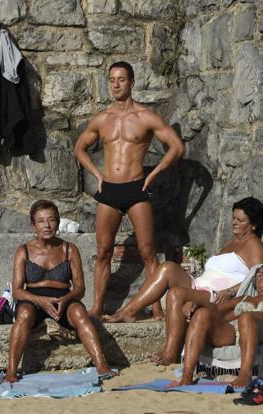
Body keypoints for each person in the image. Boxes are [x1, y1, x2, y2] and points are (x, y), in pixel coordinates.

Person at [74, 61, 185, 320]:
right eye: (112, 80)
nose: (115, 84)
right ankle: (98, 308)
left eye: (121, 79)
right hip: (109, 189)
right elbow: (80, 148)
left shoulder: (146, 116)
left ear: (132, 82)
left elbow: (177, 147)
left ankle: (156, 307)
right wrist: (97, 174)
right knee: (103, 251)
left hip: (137, 188)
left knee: (148, 252)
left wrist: (154, 174)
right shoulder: (102, 119)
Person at [106, 196, 263, 326]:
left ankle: (128, 312)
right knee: (168, 267)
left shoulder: (254, 245)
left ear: (253, 225)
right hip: (198, 287)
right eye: (234, 218)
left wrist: (231, 292)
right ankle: (129, 310)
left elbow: (259, 278)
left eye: (240, 220)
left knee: (176, 290)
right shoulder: (230, 243)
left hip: (216, 297)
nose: (234, 223)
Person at [4, 200, 115, 382]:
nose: (47, 225)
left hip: (63, 298)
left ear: (57, 222)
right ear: (33, 225)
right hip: (33, 299)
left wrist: (66, 298)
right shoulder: (23, 251)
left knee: (79, 312)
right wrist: (39, 301)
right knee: (23, 313)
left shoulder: (69, 249)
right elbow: (17, 291)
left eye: (52, 220)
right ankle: (11, 371)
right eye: (41, 221)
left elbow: (80, 288)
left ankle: (101, 366)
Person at [177, 263, 263, 388]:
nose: (261, 275)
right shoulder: (245, 298)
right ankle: (187, 374)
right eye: (258, 274)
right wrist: (196, 305)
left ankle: (245, 374)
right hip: (235, 330)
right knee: (201, 314)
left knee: (247, 316)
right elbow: (216, 310)